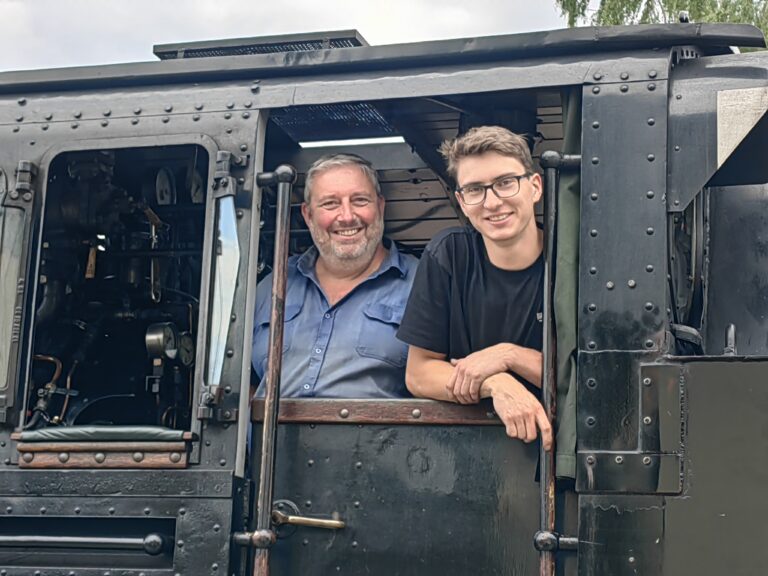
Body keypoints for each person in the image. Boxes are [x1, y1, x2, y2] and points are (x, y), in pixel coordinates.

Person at [397, 126, 553, 450]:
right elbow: (419, 373)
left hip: (561, 452)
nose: (492, 202)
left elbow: (590, 377)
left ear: (535, 186)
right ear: (462, 202)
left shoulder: (572, 260)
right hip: (468, 454)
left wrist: (508, 356)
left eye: (505, 183)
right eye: (475, 190)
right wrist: (495, 382)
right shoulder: (449, 254)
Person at [252, 153, 418, 398]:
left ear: (380, 207)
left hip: (380, 437)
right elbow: (241, 383)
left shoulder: (422, 283)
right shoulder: (273, 285)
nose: (347, 216)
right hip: (267, 436)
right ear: (308, 215)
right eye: (330, 203)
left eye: (360, 200)